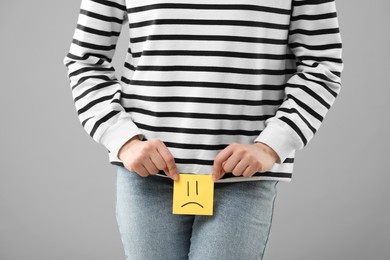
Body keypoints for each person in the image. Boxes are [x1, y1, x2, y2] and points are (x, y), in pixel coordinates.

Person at [63, 0, 343, 259]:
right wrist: (124, 141)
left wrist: (271, 145)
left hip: (243, 177)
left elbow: (322, 66)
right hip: (148, 173)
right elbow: (85, 59)